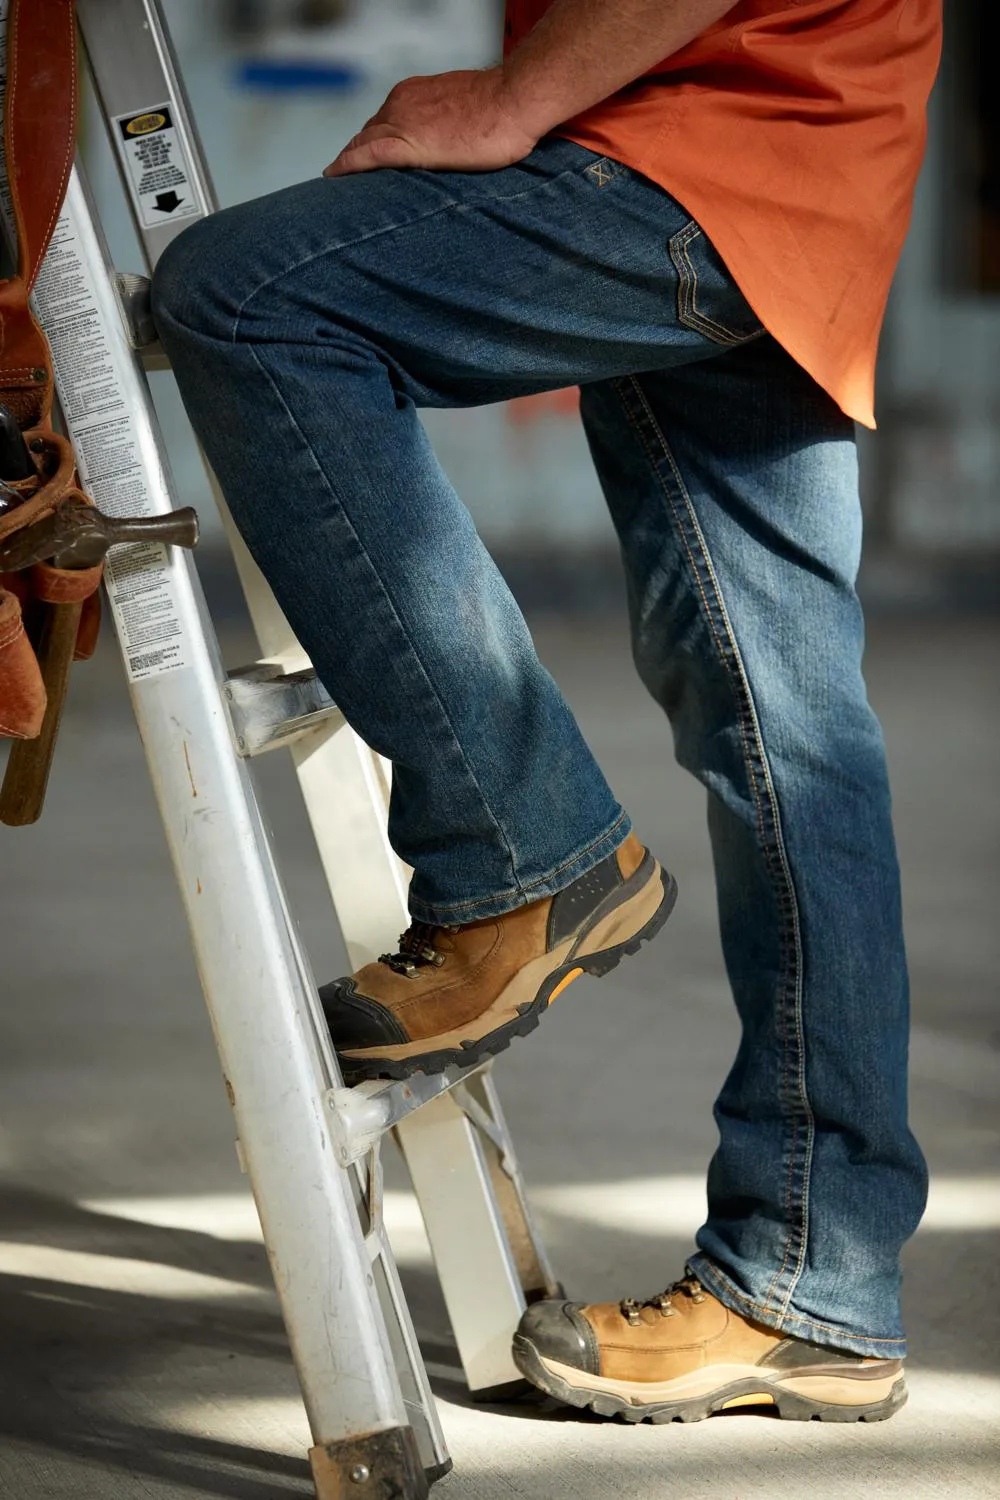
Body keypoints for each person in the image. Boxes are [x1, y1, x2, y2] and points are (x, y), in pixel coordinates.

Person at [152, 0, 942, 1428]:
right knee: (791, 738)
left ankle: (523, 859)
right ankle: (815, 1285)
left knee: (251, 294)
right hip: (794, 161)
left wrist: (515, 97)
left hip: (700, 150)